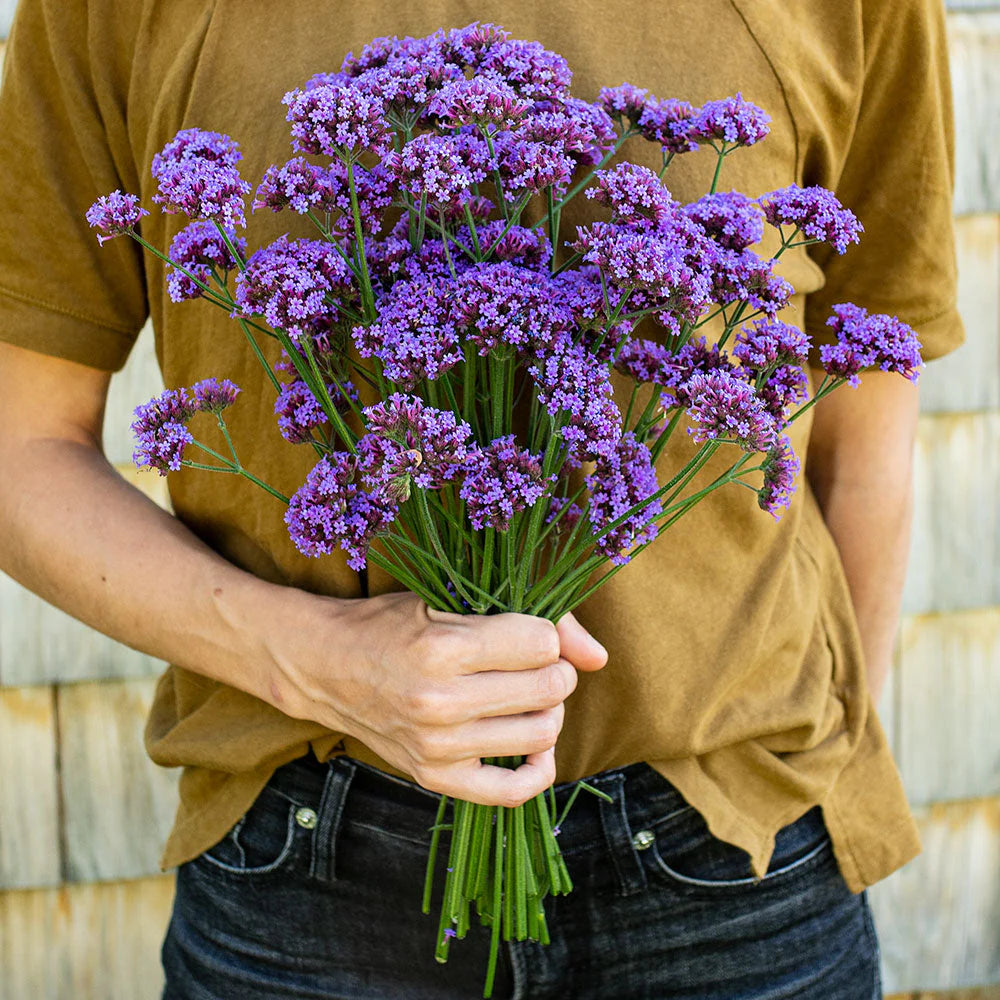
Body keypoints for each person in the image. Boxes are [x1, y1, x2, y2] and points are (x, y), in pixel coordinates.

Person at [0, 0, 962, 997]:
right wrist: (315, 658)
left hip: (732, 861)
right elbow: (21, 447)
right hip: (311, 868)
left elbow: (858, 438)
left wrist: (814, 767)